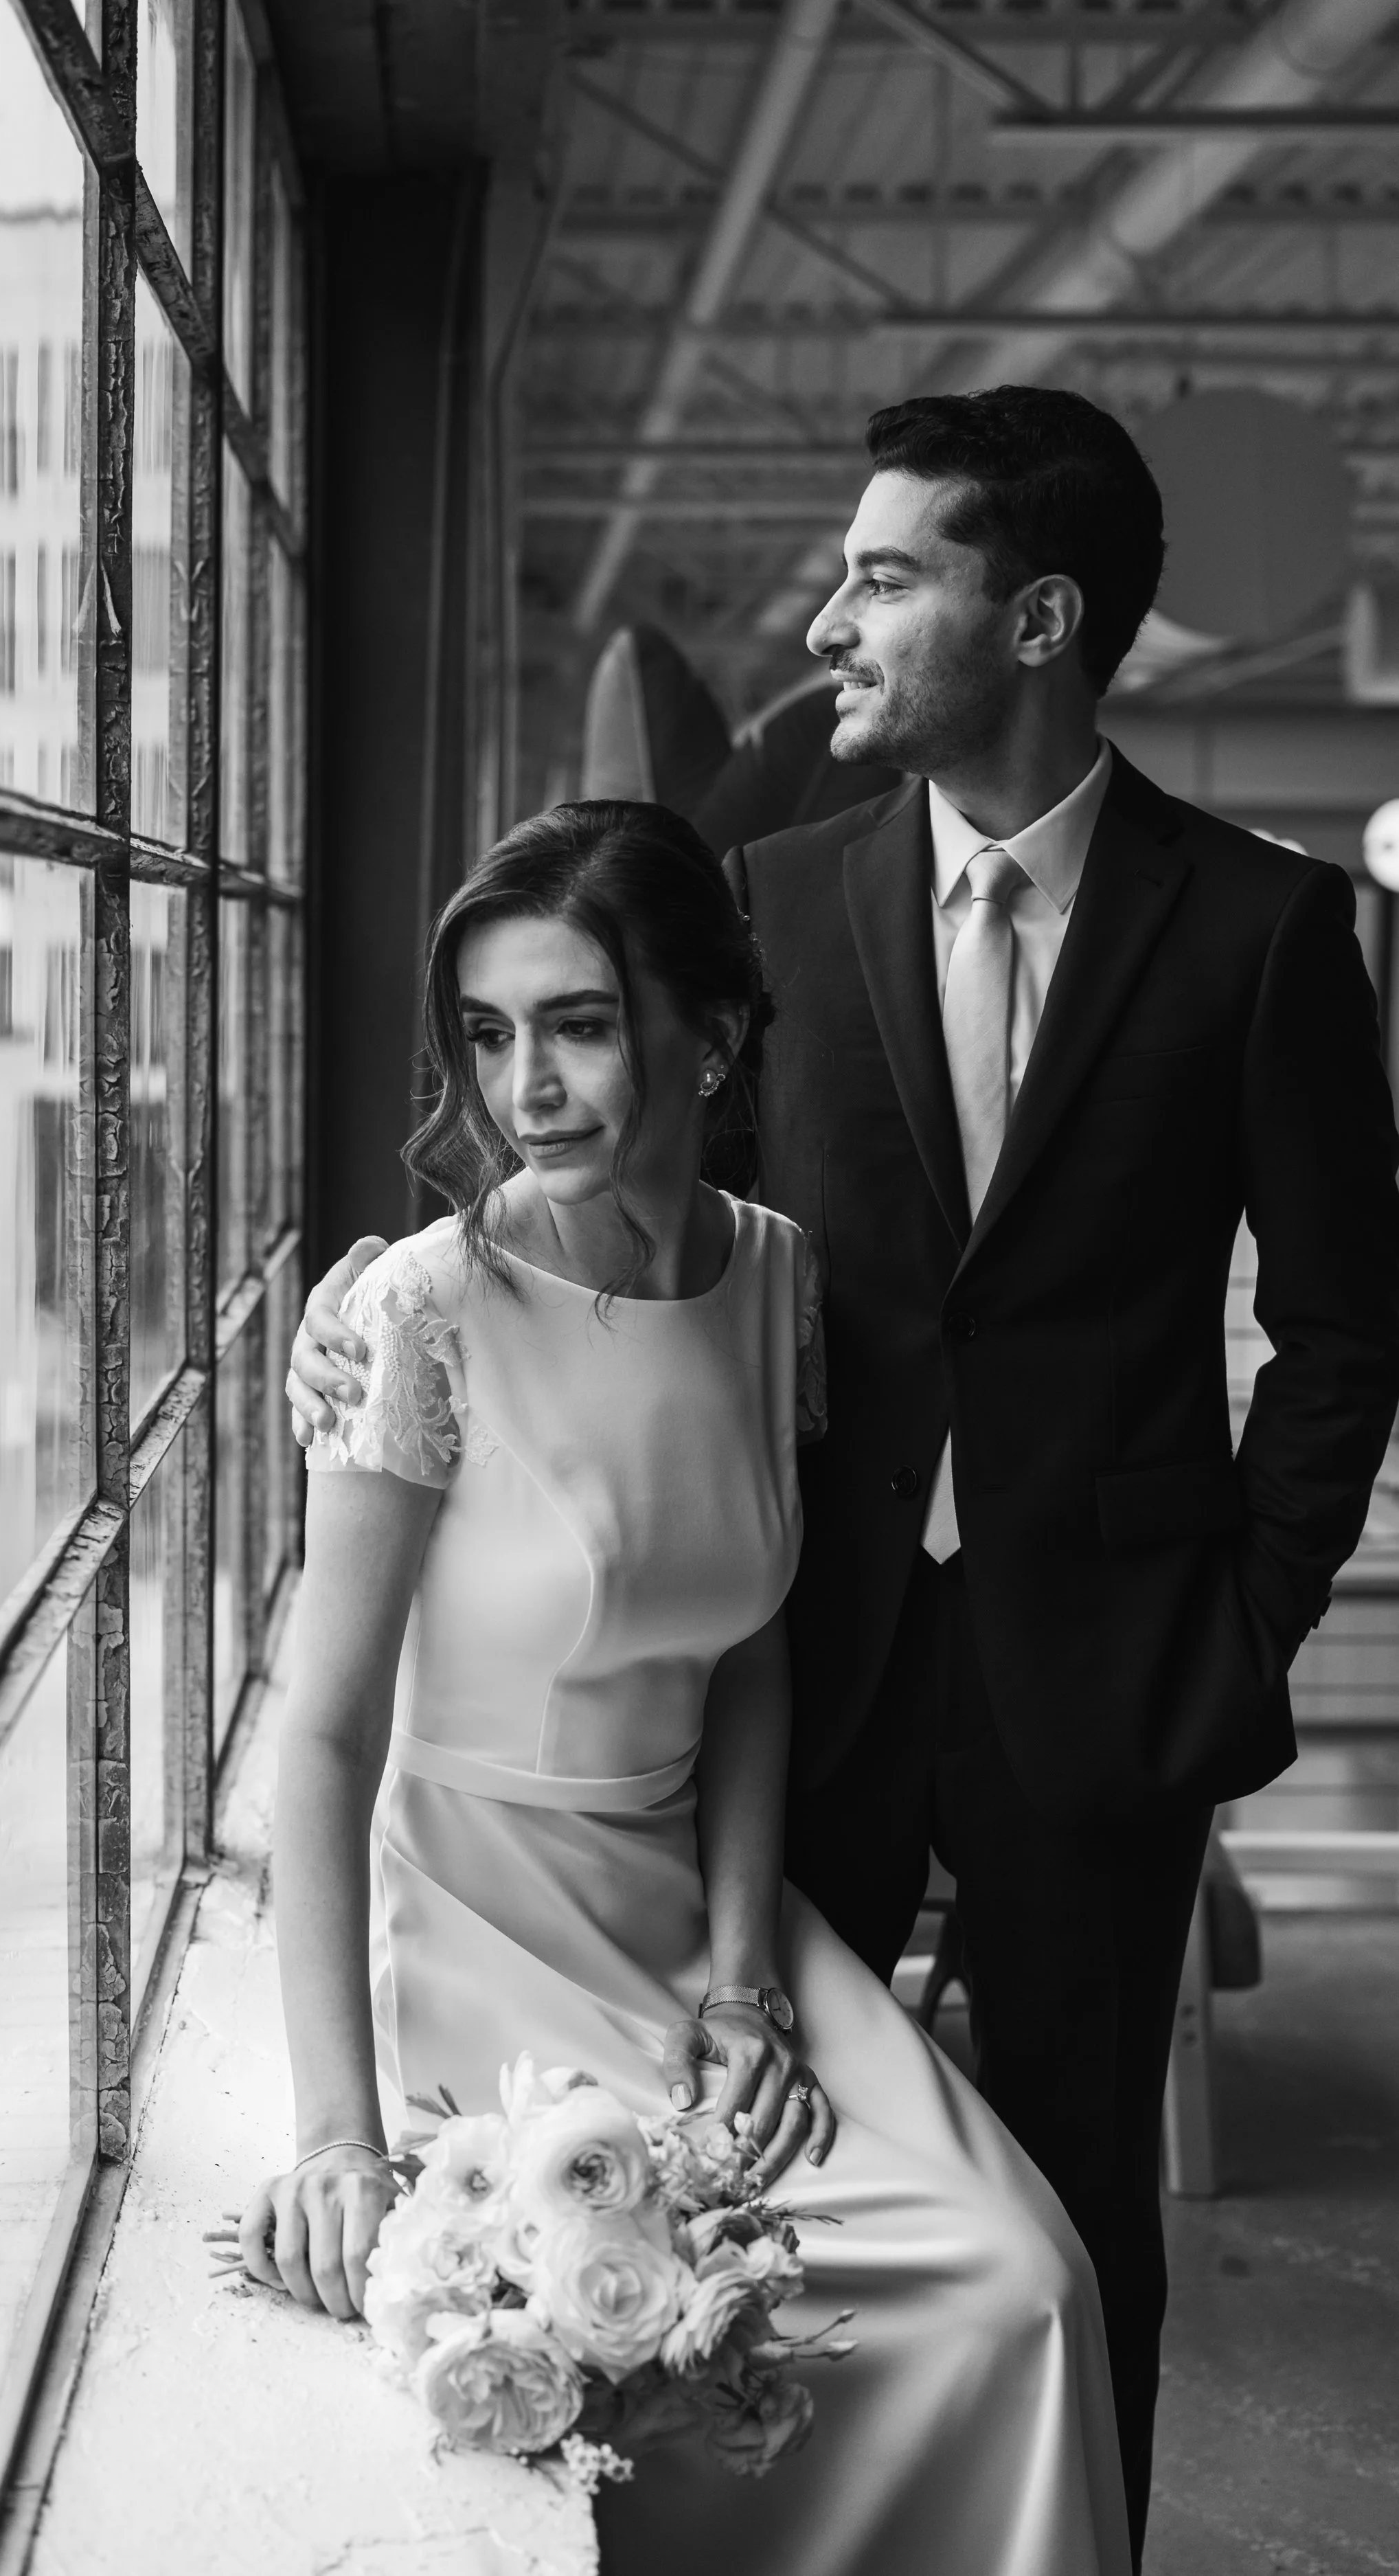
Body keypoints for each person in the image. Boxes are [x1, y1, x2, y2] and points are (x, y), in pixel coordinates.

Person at [285, 387, 1399, 2566]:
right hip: (798, 1670)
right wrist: (360, 1281)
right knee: (726, 2213)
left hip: (1108, 1677)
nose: (834, 617)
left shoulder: (1259, 931)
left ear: (1041, 614)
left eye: (887, 575)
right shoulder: (775, 899)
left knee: (1072, 2215)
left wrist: (1240, 1633)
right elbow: (588, 1158)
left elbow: (1345, 1325)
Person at [242, 802, 1130, 2575]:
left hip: (696, 1914)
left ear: (707, 1037)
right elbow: (328, 1736)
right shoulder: (419, 1309)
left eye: (578, 1024)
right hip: (479, 1921)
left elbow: (747, 1660)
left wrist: (747, 1993)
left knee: (1026, 2279)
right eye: (489, 1038)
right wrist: (337, 2138)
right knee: (636, 2352)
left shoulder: (775, 1277)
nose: (529, 1087)